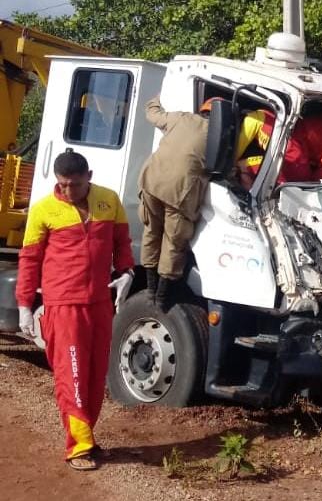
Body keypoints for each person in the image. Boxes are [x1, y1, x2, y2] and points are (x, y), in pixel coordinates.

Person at [15, 151, 134, 470]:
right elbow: (29, 260)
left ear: (89, 176)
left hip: (99, 303)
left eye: (75, 185)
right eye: (63, 185)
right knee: (72, 373)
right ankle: (78, 446)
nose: (68, 191)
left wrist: (127, 272)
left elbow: (122, 243)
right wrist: (25, 305)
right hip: (63, 304)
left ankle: (87, 437)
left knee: (95, 376)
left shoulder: (109, 201)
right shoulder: (43, 210)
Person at [138, 96, 214, 307]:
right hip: (180, 193)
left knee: (151, 232)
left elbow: (153, 115)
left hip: (151, 181)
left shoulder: (181, 118)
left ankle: (150, 290)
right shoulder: (218, 135)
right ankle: (162, 298)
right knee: (173, 242)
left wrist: (154, 99)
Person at [234, 108, 310, 189]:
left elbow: (233, 157)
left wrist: (231, 162)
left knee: (240, 166)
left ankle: (248, 198)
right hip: (296, 159)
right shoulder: (263, 115)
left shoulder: (254, 119)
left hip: (291, 164)